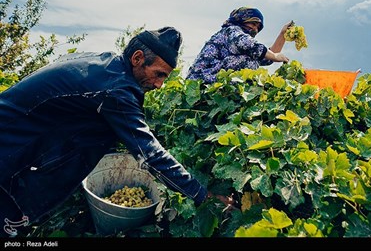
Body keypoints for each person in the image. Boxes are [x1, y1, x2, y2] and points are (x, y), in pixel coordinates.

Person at [0, 26, 231, 237]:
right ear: (138, 58)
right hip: (9, 160)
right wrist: (203, 196)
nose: (160, 84)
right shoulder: (117, 91)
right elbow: (150, 154)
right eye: (159, 74)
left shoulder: (106, 65)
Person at [186, 6, 292, 84]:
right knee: (250, 62)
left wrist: (283, 34)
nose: (255, 29)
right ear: (242, 19)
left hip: (214, 79)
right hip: (201, 79)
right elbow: (248, 44)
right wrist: (275, 56)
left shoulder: (244, 45)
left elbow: (266, 58)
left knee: (254, 60)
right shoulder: (231, 31)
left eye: (258, 27)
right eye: (253, 24)